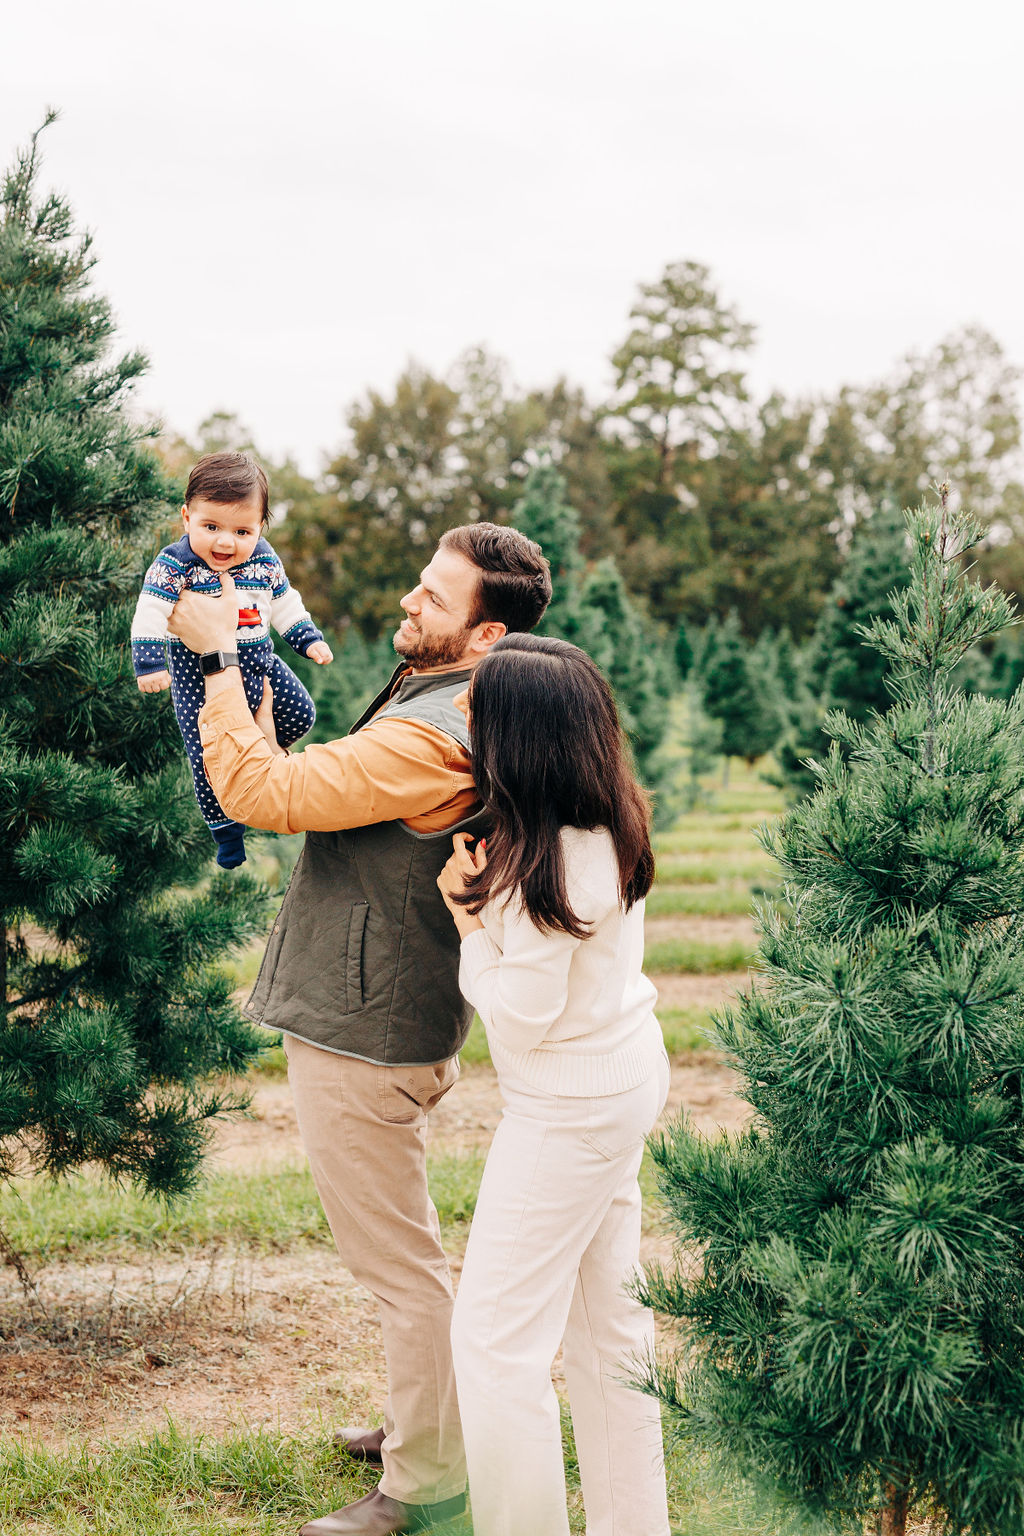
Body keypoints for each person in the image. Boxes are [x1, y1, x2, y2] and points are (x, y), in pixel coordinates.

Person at [165, 523, 552, 1536]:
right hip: (378, 1010)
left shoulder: (440, 727)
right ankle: (419, 1424)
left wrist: (207, 659)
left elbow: (268, 796)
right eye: (418, 583)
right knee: (405, 1257)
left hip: (368, 1030)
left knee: (400, 1272)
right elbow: (327, 784)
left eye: (434, 595)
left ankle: (423, 1489)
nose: (407, 602)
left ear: (486, 633)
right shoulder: (438, 694)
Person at [436, 633, 671, 1536]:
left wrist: (468, 922)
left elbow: (521, 1011)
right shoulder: (601, 820)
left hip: (569, 1105)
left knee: (493, 1342)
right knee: (611, 1324)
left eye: (474, 705)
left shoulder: (551, 866)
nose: (461, 711)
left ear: (519, 735)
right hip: (617, 1076)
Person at [131, 450, 333, 868]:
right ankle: (226, 830)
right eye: (211, 527)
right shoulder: (175, 564)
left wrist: (306, 638)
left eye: (242, 531)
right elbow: (150, 609)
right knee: (208, 753)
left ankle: (260, 763)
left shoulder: (264, 559)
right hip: (196, 673)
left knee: (301, 712)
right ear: (186, 518)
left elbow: (284, 603)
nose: (226, 542)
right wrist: (150, 663)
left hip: (260, 661)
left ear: (260, 526)